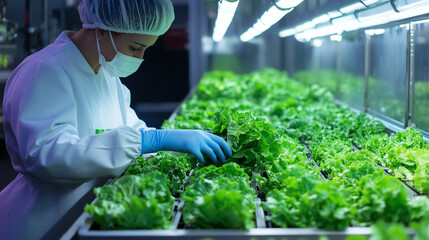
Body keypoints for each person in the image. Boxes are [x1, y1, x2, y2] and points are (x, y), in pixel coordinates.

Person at [0, 0, 232, 239]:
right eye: (134, 47)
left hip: (90, 215)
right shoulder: (44, 71)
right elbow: (46, 154)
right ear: (101, 30)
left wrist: (174, 147)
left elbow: (132, 132)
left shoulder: (107, 76)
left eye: (145, 49)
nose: (140, 58)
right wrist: (151, 140)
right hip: (42, 223)